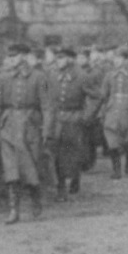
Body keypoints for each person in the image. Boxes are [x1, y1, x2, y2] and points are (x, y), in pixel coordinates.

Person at [0, 42, 54, 223]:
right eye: (10, 56)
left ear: (25, 56)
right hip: (8, 127)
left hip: (31, 127)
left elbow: (47, 107)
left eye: (15, 55)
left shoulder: (38, 77)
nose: (11, 59)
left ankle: (35, 200)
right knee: (11, 170)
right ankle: (14, 210)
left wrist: (47, 131)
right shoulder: (3, 78)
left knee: (31, 168)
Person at [49, 48, 101, 200]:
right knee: (56, 154)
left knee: (73, 153)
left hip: (75, 118)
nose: (57, 61)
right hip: (57, 119)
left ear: (70, 59)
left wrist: (86, 115)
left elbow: (97, 97)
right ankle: (60, 187)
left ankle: (75, 178)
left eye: (61, 58)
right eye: (56, 58)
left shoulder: (81, 77)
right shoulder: (52, 75)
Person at [100, 47, 128, 179]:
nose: (116, 61)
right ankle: (116, 169)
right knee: (112, 140)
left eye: (119, 58)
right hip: (112, 110)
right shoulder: (109, 75)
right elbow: (103, 95)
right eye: (115, 58)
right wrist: (101, 111)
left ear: (126, 59)